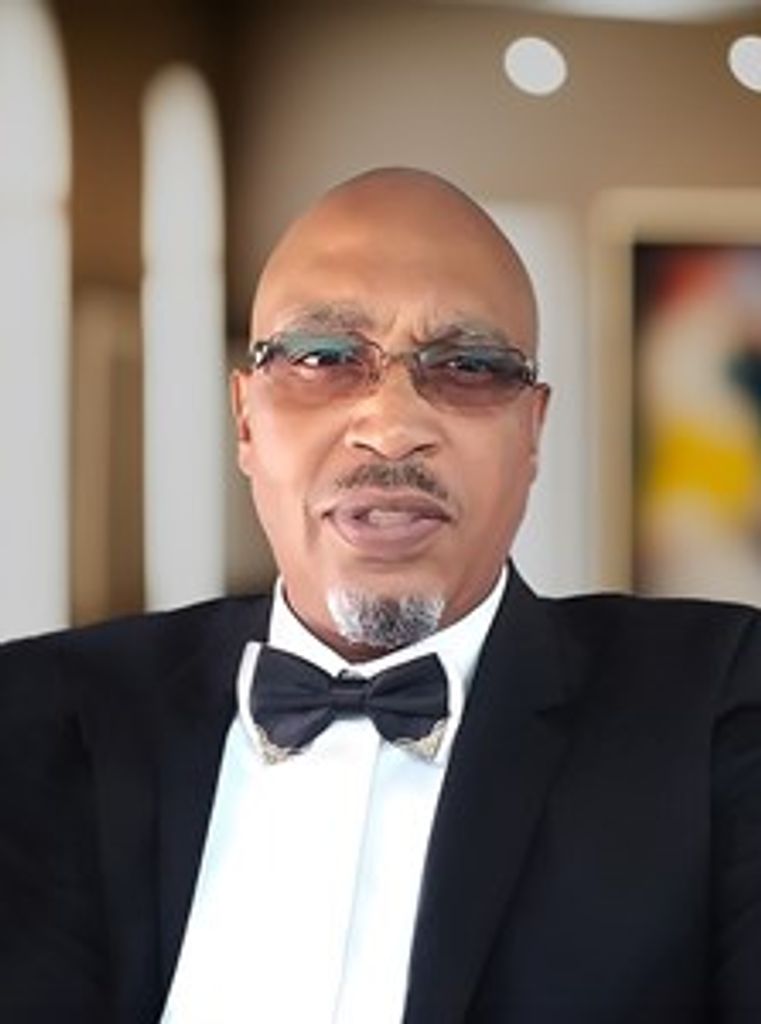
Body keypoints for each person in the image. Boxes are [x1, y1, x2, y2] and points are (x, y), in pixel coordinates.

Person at [1, 167, 759, 1024]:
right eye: (324, 358)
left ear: (531, 432)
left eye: (468, 366)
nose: (392, 428)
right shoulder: (34, 719)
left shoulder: (714, 708)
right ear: (246, 420)